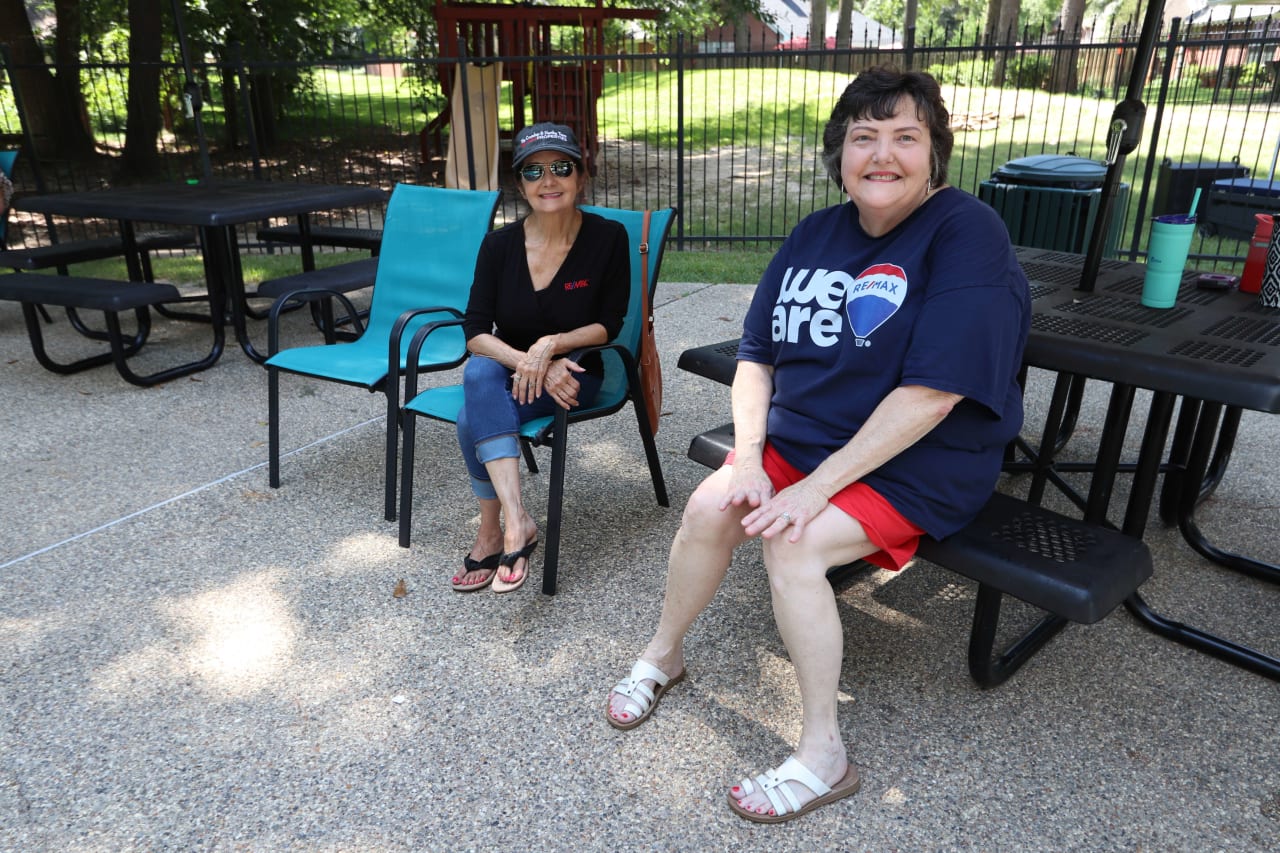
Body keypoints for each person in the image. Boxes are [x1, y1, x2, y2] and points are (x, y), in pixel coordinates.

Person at [604, 66, 1030, 823]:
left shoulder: (965, 231)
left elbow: (933, 396)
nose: (883, 155)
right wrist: (747, 454)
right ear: (839, 154)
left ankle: (824, 754)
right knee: (709, 509)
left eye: (906, 137)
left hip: (917, 461)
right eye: (864, 137)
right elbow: (756, 358)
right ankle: (663, 655)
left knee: (793, 545)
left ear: (935, 152)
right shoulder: (816, 233)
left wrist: (813, 486)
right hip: (803, 445)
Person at [453, 123, 631, 594]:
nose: (548, 180)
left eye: (561, 168)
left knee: (473, 414)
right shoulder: (498, 247)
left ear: (581, 175)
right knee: (480, 370)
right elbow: (474, 332)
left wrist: (551, 347)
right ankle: (515, 523)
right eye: (533, 171)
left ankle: (493, 532)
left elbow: (609, 324)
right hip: (516, 373)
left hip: (576, 373)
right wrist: (529, 363)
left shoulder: (608, 238)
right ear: (520, 184)